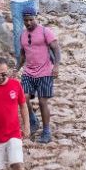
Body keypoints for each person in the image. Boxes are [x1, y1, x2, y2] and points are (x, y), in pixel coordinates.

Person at [17, 8, 61, 144]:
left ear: (36, 18)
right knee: (23, 98)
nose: (28, 22)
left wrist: (57, 66)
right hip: (28, 72)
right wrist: (16, 68)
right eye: (26, 20)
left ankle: (46, 131)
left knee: (42, 102)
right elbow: (23, 55)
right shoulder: (22, 35)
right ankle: (32, 120)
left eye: (31, 19)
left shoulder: (45, 31)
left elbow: (56, 48)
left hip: (45, 72)